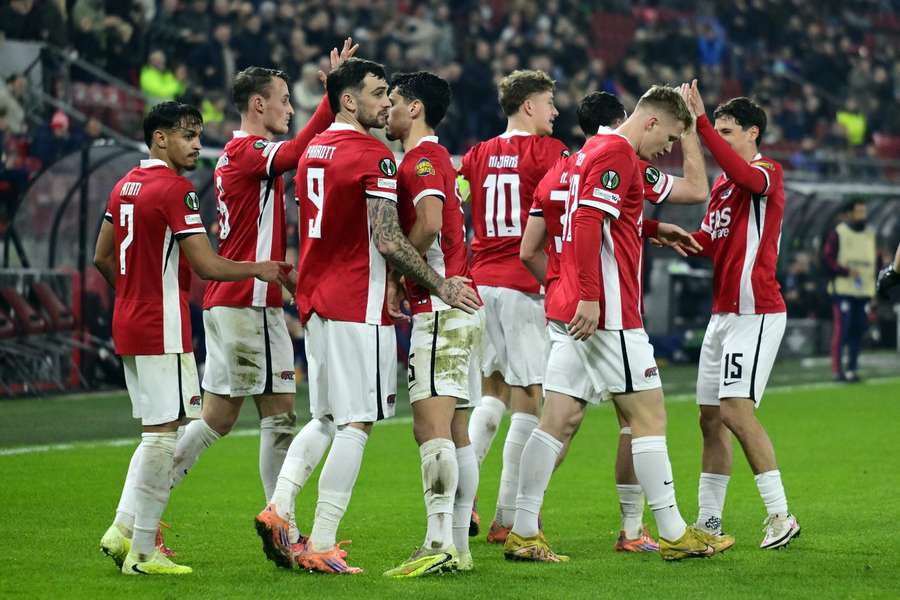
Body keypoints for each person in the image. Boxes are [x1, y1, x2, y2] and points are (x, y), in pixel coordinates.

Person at [254, 58, 480, 575]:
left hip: (315, 302)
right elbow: (387, 237)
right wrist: (437, 280)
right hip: (359, 302)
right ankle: (323, 541)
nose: (387, 102)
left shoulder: (314, 149)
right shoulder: (373, 156)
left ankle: (281, 507)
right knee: (357, 423)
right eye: (379, 93)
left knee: (325, 417)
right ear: (350, 101)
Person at [506, 85, 732, 562]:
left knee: (556, 422)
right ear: (650, 122)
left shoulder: (577, 158)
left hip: (571, 311)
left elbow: (564, 230)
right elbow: (588, 221)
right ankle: (672, 531)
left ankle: (524, 530)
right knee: (649, 416)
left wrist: (648, 227)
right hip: (608, 313)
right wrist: (591, 295)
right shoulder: (618, 155)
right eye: (669, 139)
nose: (666, 150)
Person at [168, 43, 357, 546]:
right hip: (239, 305)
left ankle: (282, 524)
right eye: (283, 101)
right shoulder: (246, 151)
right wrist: (333, 96)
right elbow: (297, 153)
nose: (289, 110)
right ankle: (145, 503)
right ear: (258, 105)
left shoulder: (250, 157)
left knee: (279, 416)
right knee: (219, 420)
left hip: (257, 304)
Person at [95, 101, 288, 575]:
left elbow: (102, 257)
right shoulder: (175, 191)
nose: (197, 144)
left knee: (157, 432)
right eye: (187, 135)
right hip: (162, 324)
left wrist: (134, 295)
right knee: (162, 437)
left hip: (129, 321)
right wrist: (258, 268)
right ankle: (142, 553)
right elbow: (206, 265)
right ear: (160, 138)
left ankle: (123, 526)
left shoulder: (123, 186)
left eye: (199, 135)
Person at [684, 81, 801, 549]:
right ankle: (709, 522)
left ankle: (780, 514)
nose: (722, 138)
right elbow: (710, 241)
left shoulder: (766, 171)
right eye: (719, 130)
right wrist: (662, 232)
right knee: (710, 417)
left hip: (756, 310)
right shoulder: (721, 184)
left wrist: (701, 126)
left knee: (735, 409)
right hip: (723, 313)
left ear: (753, 133)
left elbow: (746, 177)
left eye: (729, 131)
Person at [381, 72, 485, 577]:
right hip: (463, 304)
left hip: (442, 305)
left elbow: (427, 223)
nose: (387, 110)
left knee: (431, 428)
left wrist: (402, 276)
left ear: (415, 108)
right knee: (457, 430)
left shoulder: (421, 159)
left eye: (394, 101)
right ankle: (459, 549)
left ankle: (438, 540)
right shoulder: (439, 158)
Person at [459, 69, 569, 542]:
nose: (555, 111)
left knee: (491, 393)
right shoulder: (550, 153)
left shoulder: (477, 155)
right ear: (528, 106)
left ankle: (465, 500)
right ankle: (507, 516)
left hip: (481, 284)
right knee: (529, 397)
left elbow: (459, 203)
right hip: (524, 286)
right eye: (549, 103)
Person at [824, 199, 877, 382]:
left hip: (864, 292)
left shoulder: (870, 234)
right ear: (849, 214)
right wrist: (845, 271)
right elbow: (828, 258)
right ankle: (837, 371)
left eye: (864, 211)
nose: (862, 215)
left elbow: (873, 263)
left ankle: (852, 369)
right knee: (842, 330)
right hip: (843, 290)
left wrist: (874, 292)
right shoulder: (839, 233)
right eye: (859, 211)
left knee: (858, 330)